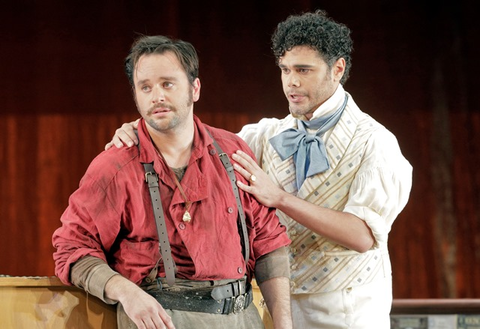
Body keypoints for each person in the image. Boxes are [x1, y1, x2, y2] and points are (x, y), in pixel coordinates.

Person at [106, 10, 413, 329]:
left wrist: (279, 198)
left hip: (350, 314)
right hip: (277, 310)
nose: (291, 81)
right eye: (285, 69)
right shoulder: (267, 135)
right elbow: (199, 148)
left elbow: (363, 235)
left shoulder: (375, 142)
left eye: (304, 70)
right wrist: (147, 130)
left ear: (338, 69)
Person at [52, 35, 293, 329]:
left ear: (195, 89)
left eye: (167, 84)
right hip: (160, 320)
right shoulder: (115, 167)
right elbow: (72, 249)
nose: (157, 96)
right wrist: (126, 292)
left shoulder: (232, 152)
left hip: (241, 317)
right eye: (145, 87)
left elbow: (268, 242)